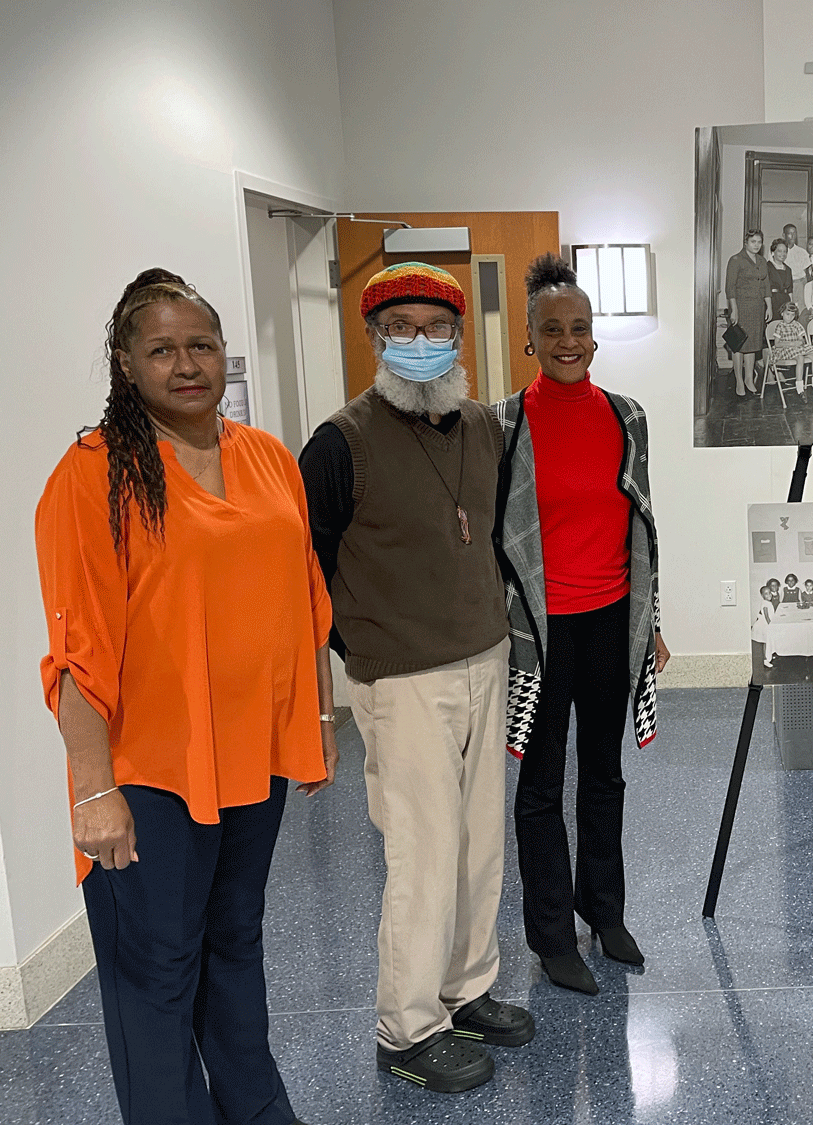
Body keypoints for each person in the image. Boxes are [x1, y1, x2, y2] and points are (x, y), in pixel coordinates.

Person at [37, 268, 337, 1124]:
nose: (185, 363)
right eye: (160, 349)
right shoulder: (94, 474)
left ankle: (256, 1107)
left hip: (251, 766)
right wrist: (95, 790)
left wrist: (312, 724)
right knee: (157, 969)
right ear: (125, 365)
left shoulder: (267, 457)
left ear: (223, 353)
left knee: (235, 943)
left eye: (199, 344)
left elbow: (303, 600)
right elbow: (75, 651)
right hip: (149, 775)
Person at [300, 261, 532, 1091]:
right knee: (423, 851)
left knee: (477, 842)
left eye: (436, 329)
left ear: (459, 338)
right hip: (401, 679)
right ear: (374, 338)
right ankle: (407, 1026)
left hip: (484, 654)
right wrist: (355, 647)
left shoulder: (481, 424)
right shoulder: (340, 441)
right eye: (401, 327)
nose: (421, 343)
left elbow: (494, 533)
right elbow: (305, 563)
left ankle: (466, 989)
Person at [492, 254, 670, 997]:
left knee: (604, 773)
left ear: (595, 339)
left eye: (581, 328)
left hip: (610, 622)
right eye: (552, 328)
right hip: (537, 634)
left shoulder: (626, 416)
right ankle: (552, 936)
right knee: (539, 786)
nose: (569, 340)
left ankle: (606, 912)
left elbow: (646, 528)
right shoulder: (501, 424)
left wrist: (652, 621)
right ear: (530, 337)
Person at [725, 229, 771, 396]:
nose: (756, 245)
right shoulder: (736, 260)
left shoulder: (762, 261)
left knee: (752, 345)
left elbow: (766, 285)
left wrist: (769, 306)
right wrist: (734, 310)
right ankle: (739, 381)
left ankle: (749, 379)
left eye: (759, 242)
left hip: (757, 307)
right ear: (746, 243)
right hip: (741, 306)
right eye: (753, 242)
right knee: (739, 345)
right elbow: (729, 288)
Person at [766, 301, 813, 393]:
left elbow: (802, 340)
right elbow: (777, 344)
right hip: (785, 349)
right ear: (782, 313)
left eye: (792, 315)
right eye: (787, 314)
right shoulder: (780, 326)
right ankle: (799, 385)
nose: (790, 317)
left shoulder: (796, 325)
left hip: (796, 348)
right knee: (800, 358)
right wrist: (791, 344)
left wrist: (799, 342)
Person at [767, 240, 798, 335]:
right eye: (779, 251)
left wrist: (792, 307)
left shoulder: (788, 269)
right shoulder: (767, 267)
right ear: (773, 252)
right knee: (773, 329)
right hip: (772, 300)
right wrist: (768, 307)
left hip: (785, 301)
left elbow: (790, 290)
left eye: (785, 251)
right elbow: (765, 288)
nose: (783, 254)